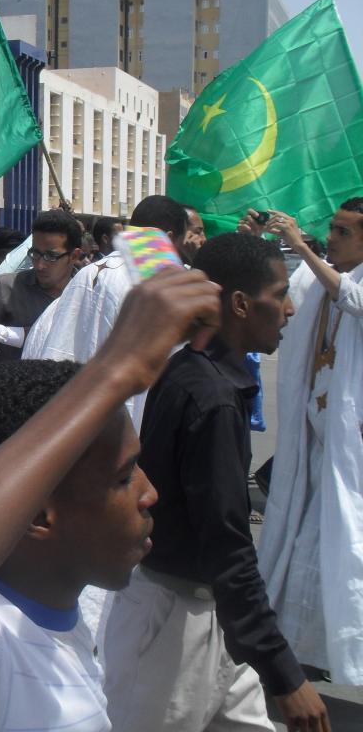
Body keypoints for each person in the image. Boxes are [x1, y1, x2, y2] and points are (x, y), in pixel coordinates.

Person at [0, 267, 222, 732]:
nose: (149, 493)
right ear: (37, 512)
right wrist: (113, 372)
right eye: (121, 479)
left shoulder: (62, 628)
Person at [103, 233, 329, 732]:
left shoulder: (200, 376)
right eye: (280, 293)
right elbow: (227, 541)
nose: (290, 308)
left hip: (211, 618)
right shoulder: (210, 395)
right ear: (243, 304)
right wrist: (284, 674)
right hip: (173, 627)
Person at [258, 200, 363, 686]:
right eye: (332, 230)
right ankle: (307, 647)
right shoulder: (324, 280)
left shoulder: (346, 285)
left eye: (342, 232)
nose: (333, 238)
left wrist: (302, 245)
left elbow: (352, 300)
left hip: (352, 446)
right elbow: (287, 293)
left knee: (344, 545)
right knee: (309, 541)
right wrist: (267, 242)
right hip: (320, 438)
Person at [22, 194, 188, 430]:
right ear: (168, 239)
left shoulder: (89, 274)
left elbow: (49, 347)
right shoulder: (165, 285)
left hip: (76, 427)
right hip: (135, 431)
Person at [0, 209, 81, 384]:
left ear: (74, 256)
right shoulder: (6, 288)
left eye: (51, 256)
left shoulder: (89, 295)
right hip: (12, 401)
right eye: (35, 254)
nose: (40, 264)